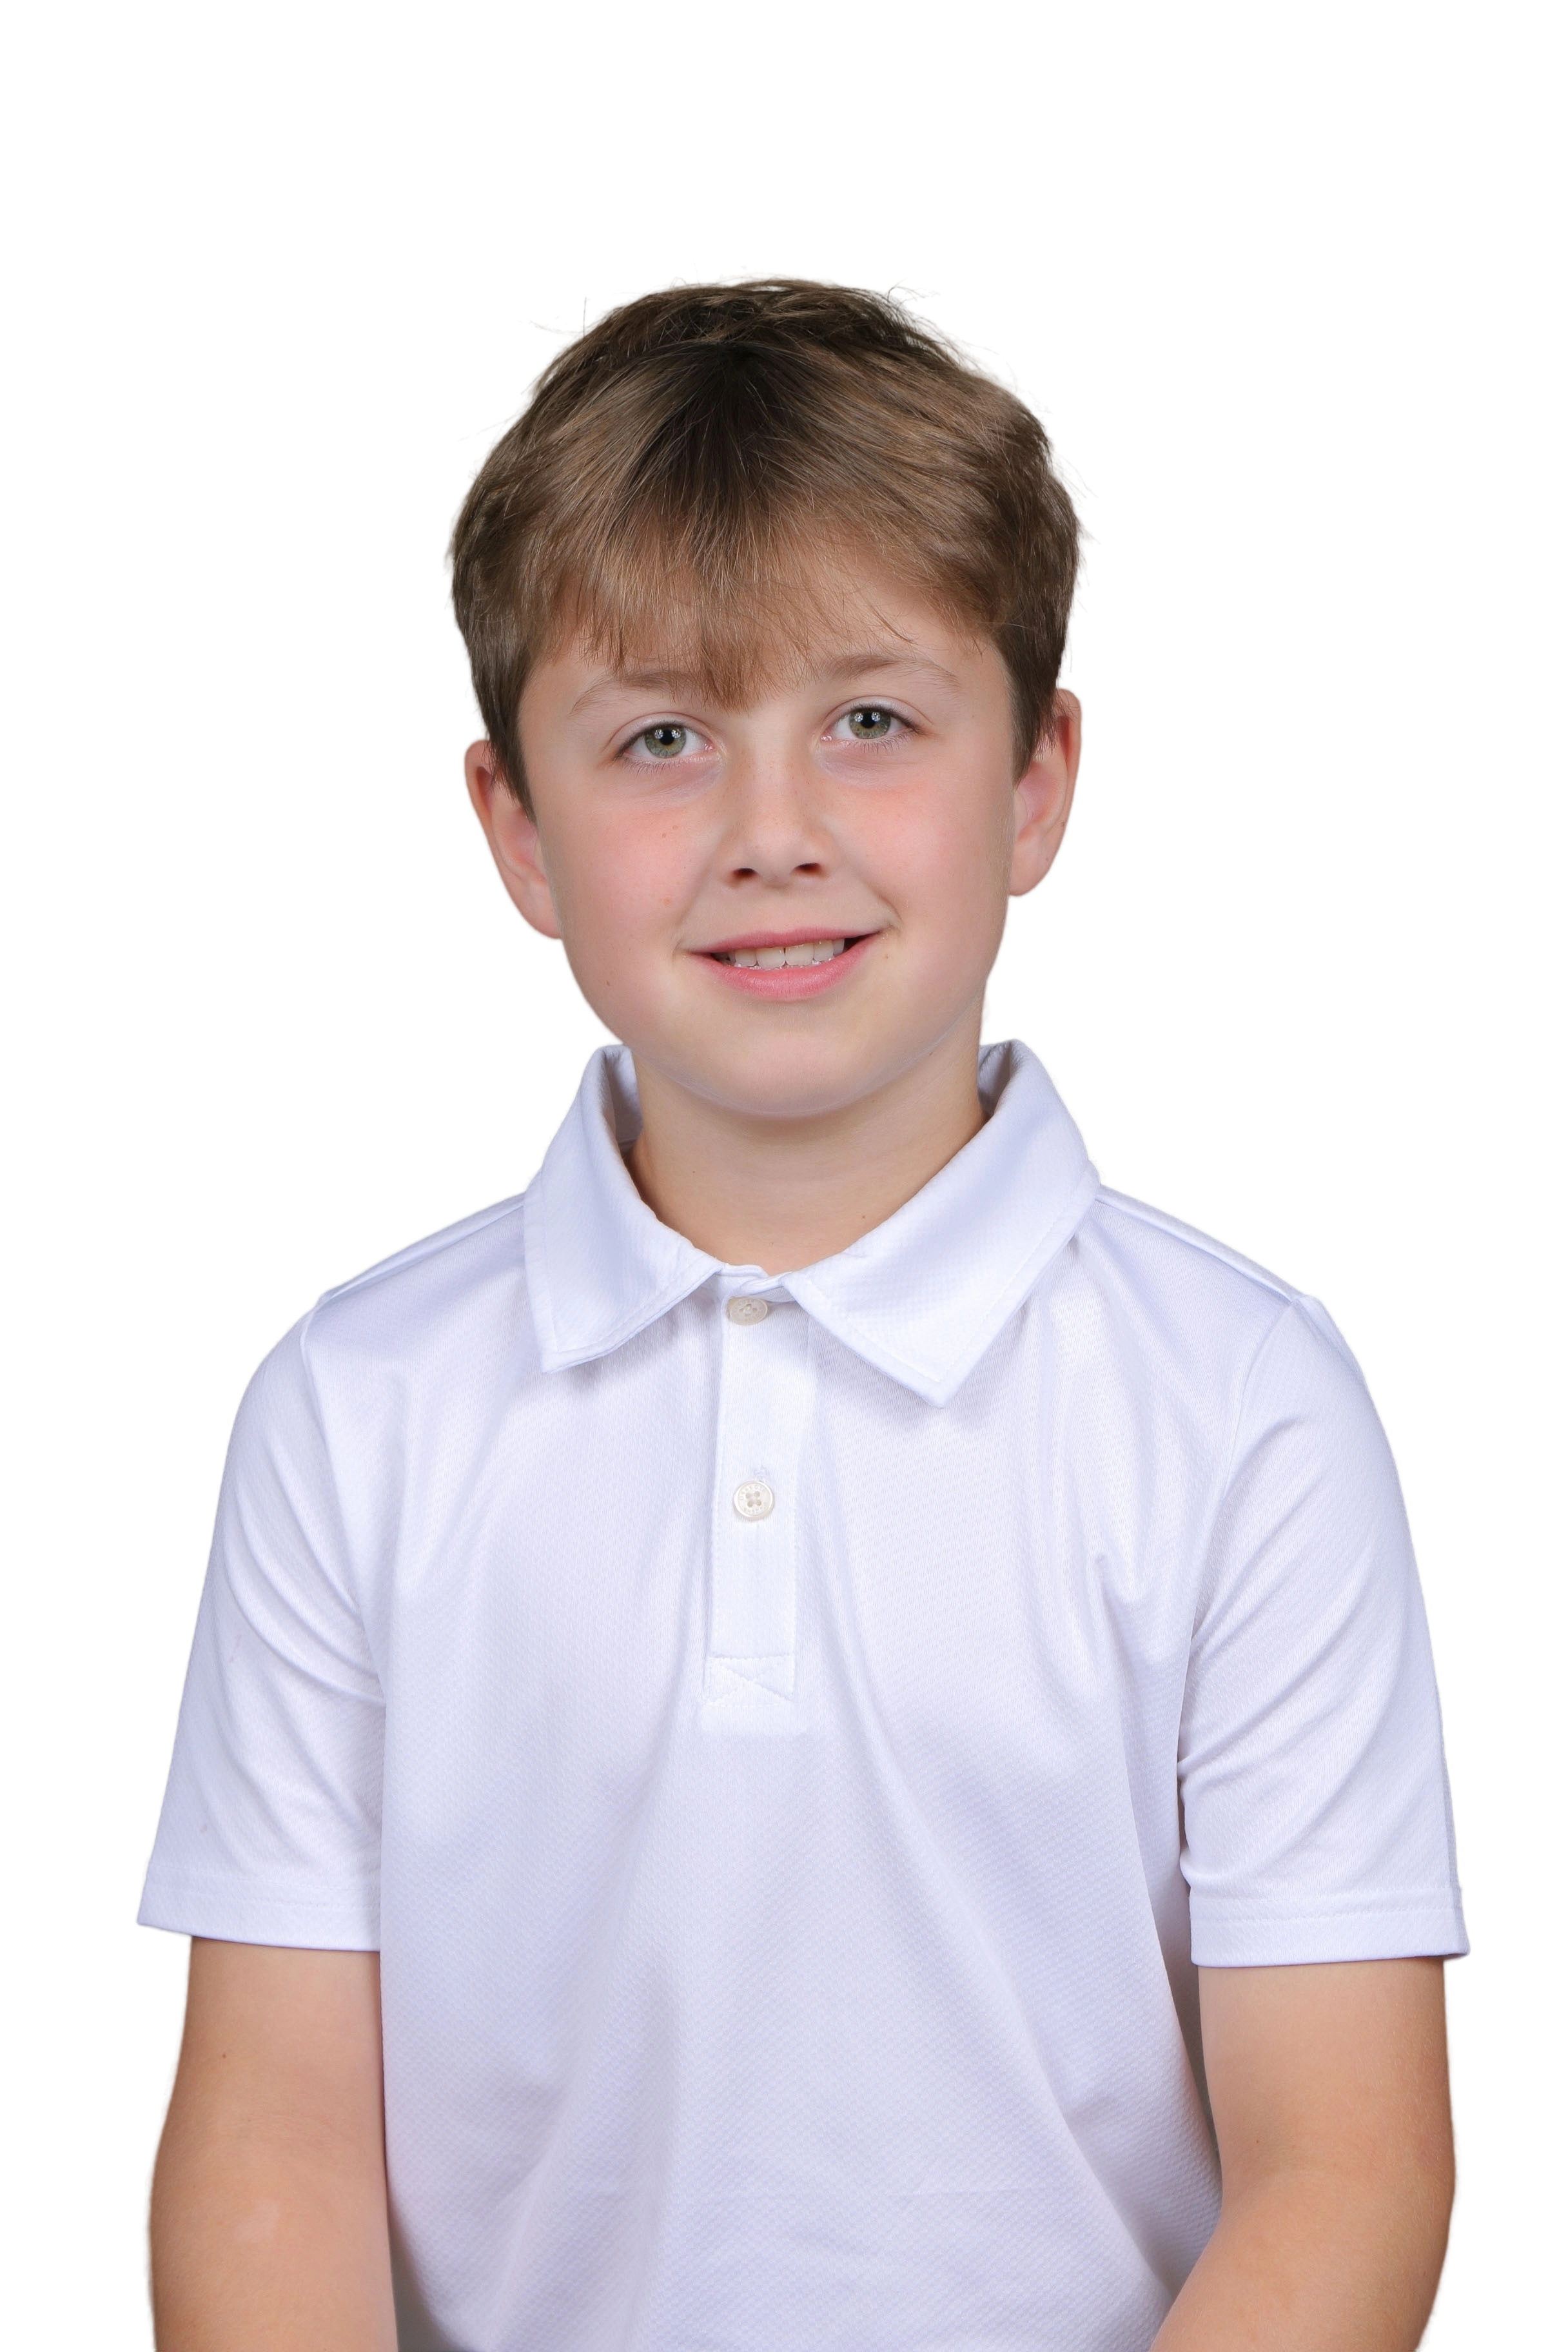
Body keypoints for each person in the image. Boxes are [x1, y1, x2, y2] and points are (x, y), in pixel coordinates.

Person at [135, 268, 1469, 2351]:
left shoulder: (1242, 1403)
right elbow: (274, 2143)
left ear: (1037, 780)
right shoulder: (356, 1406)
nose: (773, 836)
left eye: (871, 721)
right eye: (664, 737)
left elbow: (1348, 2170)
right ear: (517, 830)